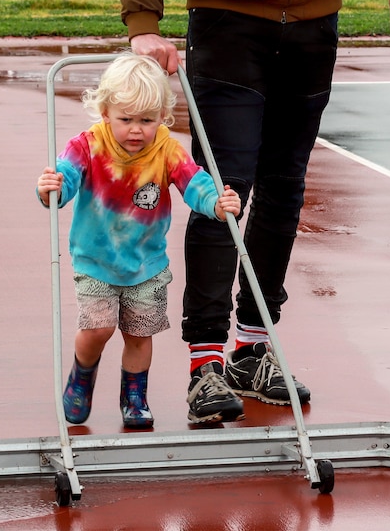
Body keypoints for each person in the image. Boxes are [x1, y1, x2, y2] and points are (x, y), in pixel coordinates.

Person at [115, 0, 390, 424]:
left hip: (314, 27)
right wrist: (143, 23)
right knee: (223, 195)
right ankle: (205, 363)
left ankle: (253, 350)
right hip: (226, 23)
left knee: (284, 191)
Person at [37, 53, 242, 428]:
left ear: (161, 117)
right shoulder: (88, 145)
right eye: (126, 120)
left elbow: (193, 180)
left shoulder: (164, 147)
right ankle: (82, 374)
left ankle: (134, 395)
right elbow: (65, 175)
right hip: (96, 259)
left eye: (147, 121)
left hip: (146, 262)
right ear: (105, 113)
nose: (136, 130)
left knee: (138, 333)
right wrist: (53, 188)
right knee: (99, 328)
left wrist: (215, 202)